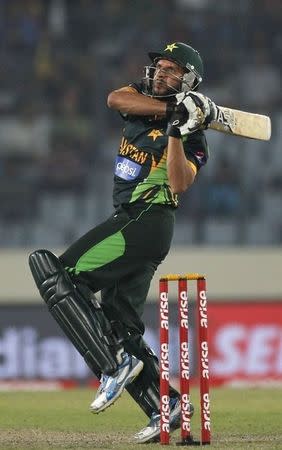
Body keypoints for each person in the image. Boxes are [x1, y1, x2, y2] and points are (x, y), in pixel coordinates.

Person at [28, 41, 215, 443]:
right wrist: (172, 109)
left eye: (171, 69)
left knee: (53, 271)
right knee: (120, 323)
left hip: (147, 218)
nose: (161, 72)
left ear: (189, 80)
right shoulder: (139, 98)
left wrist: (178, 131)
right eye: (159, 66)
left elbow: (180, 183)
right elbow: (115, 98)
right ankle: (166, 408)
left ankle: (112, 365)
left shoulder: (193, 132)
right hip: (133, 222)